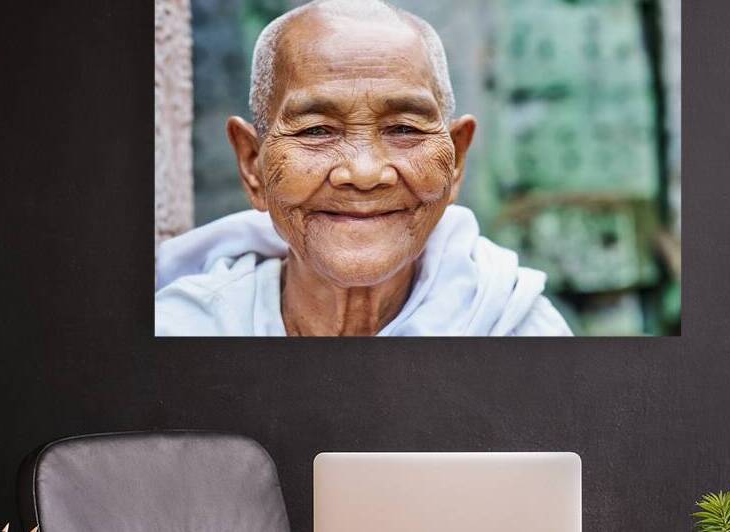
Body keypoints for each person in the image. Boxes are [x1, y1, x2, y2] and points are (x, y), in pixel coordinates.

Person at [155, 0, 572, 337]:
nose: (365, 171)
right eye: (317, 130)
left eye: (404, 129)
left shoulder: (519, 332)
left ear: (456, 159)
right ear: (252, 164)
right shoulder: (183, 334)